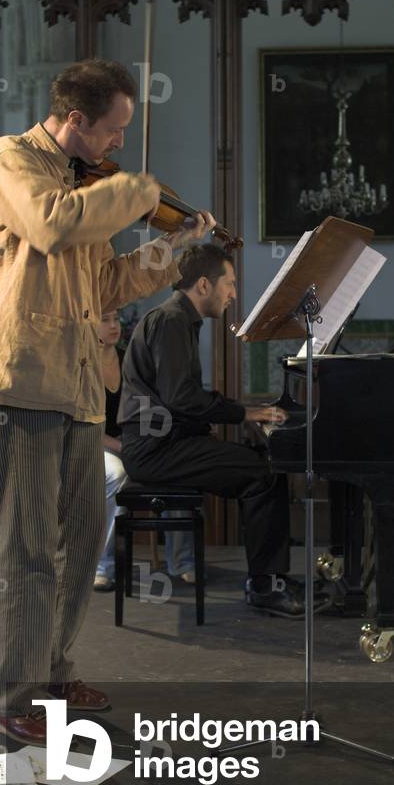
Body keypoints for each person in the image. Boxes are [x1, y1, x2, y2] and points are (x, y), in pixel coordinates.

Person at [0, 58, 215, 746]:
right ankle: (12, 696)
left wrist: (173, 244)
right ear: (75, 119)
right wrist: (138, 192)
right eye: (111, 132)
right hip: (21, 380)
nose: (117, 148)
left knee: (84, 540)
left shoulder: (88, 188)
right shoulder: (12, 161)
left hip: (75, 386)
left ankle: (49, 673)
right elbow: (50, 226)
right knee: (26, 550)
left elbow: (108, 282)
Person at [118, 243, 305, 618]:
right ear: (204, 285)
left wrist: (239, 415)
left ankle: (271, 578)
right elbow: (182, 398)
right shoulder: (171, 320)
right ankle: (266, 586)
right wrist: (245, 413)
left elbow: (180, 399)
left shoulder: (176, 319)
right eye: (230, 284)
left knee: (260, 466)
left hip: (163, 444)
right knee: (264, 473)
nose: (234, 294)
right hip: (155, 451)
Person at [94, 309, 196, 591]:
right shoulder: (79, 363)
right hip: (92, 446)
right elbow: (79, 425)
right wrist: (121, 446)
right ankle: (104, 566)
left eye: (116, 319)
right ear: (88, 322)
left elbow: (151, 403)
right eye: (106, 319)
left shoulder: (129, 358)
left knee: (173, 466)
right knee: (117, 474)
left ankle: (182, 562)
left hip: (132, 441)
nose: (114, 326)